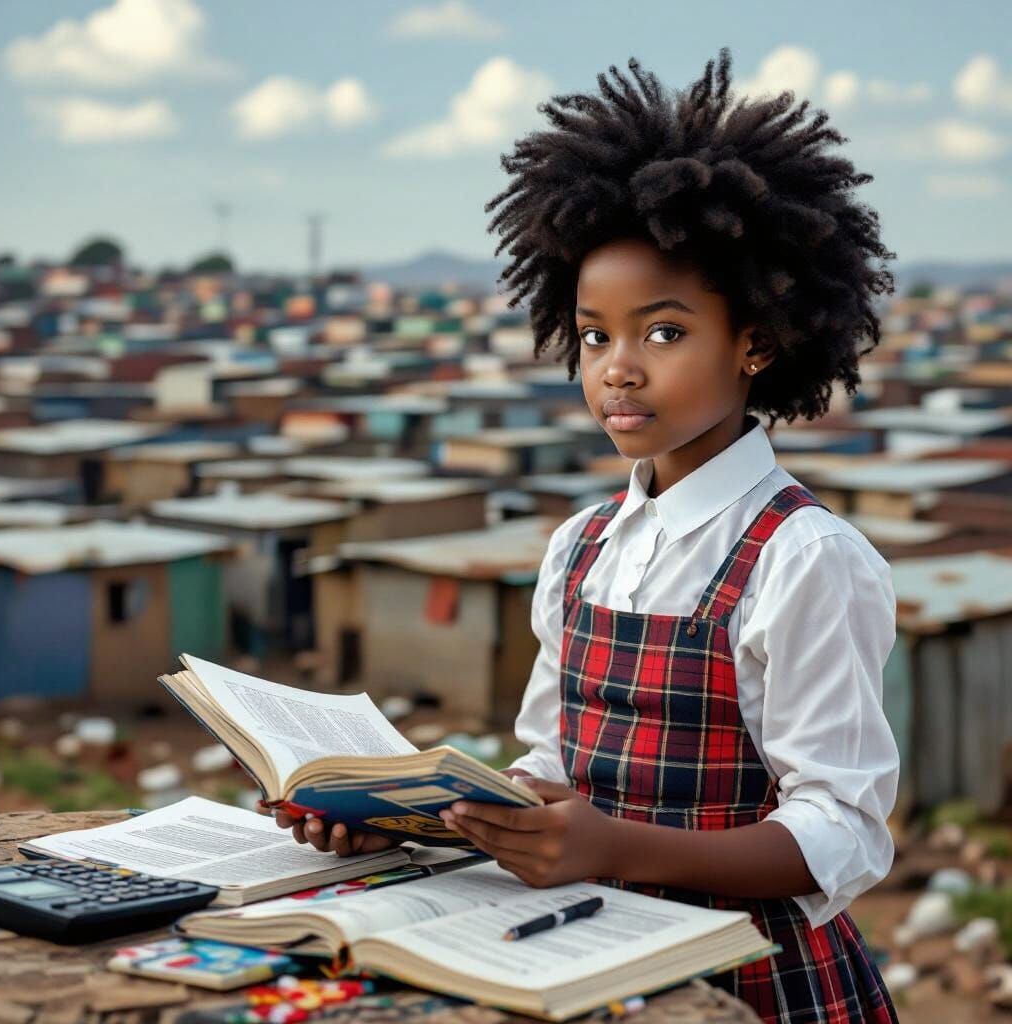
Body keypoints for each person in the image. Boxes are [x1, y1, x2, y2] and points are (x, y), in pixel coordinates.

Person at [271, 48, 901, 1024]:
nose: (618, 370)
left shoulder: (801, 556)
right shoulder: (582, 547)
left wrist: (613, 846)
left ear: (757, 340)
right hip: (592, 960)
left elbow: (838, 834)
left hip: (749, 976)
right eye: (594, 334)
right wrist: (411, 818)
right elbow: (553, 779)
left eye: (661, 332)